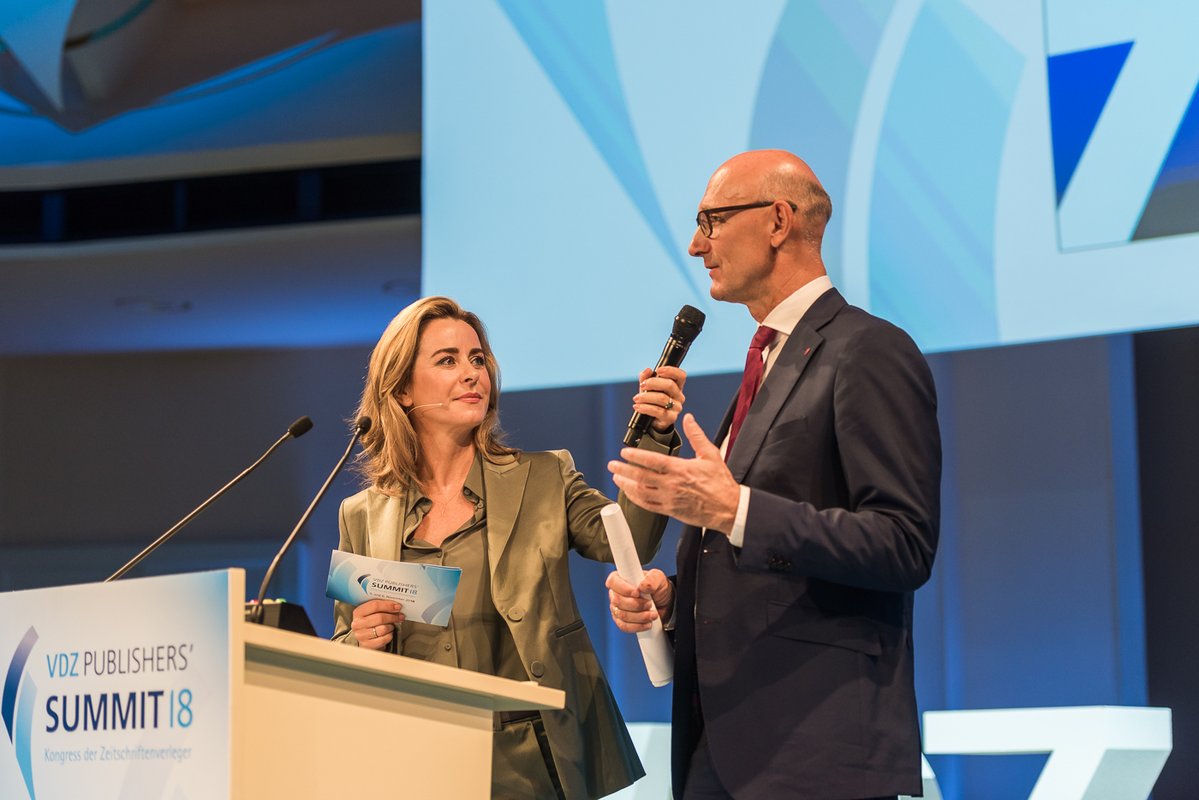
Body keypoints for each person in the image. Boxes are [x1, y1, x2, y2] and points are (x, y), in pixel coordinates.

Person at [606, 150, 941, 800]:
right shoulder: (768, 359)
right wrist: (675, 599)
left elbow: (903, 543)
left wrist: (736, 512)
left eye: (711, 220)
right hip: (727, 744)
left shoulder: (867, 350)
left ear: (778, 220)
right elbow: (758, 557)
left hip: (814, 750)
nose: (695, 243)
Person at [331, 295, 685, 800]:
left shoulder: (543, 477)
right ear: (403, 390)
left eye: (478, 359)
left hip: (533, 760)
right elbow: (346, 643)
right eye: (448, 360)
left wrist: (656, 436)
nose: (473, 373)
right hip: (416, 759)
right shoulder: (362, 514)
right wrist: (360, 641)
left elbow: (631, 539)